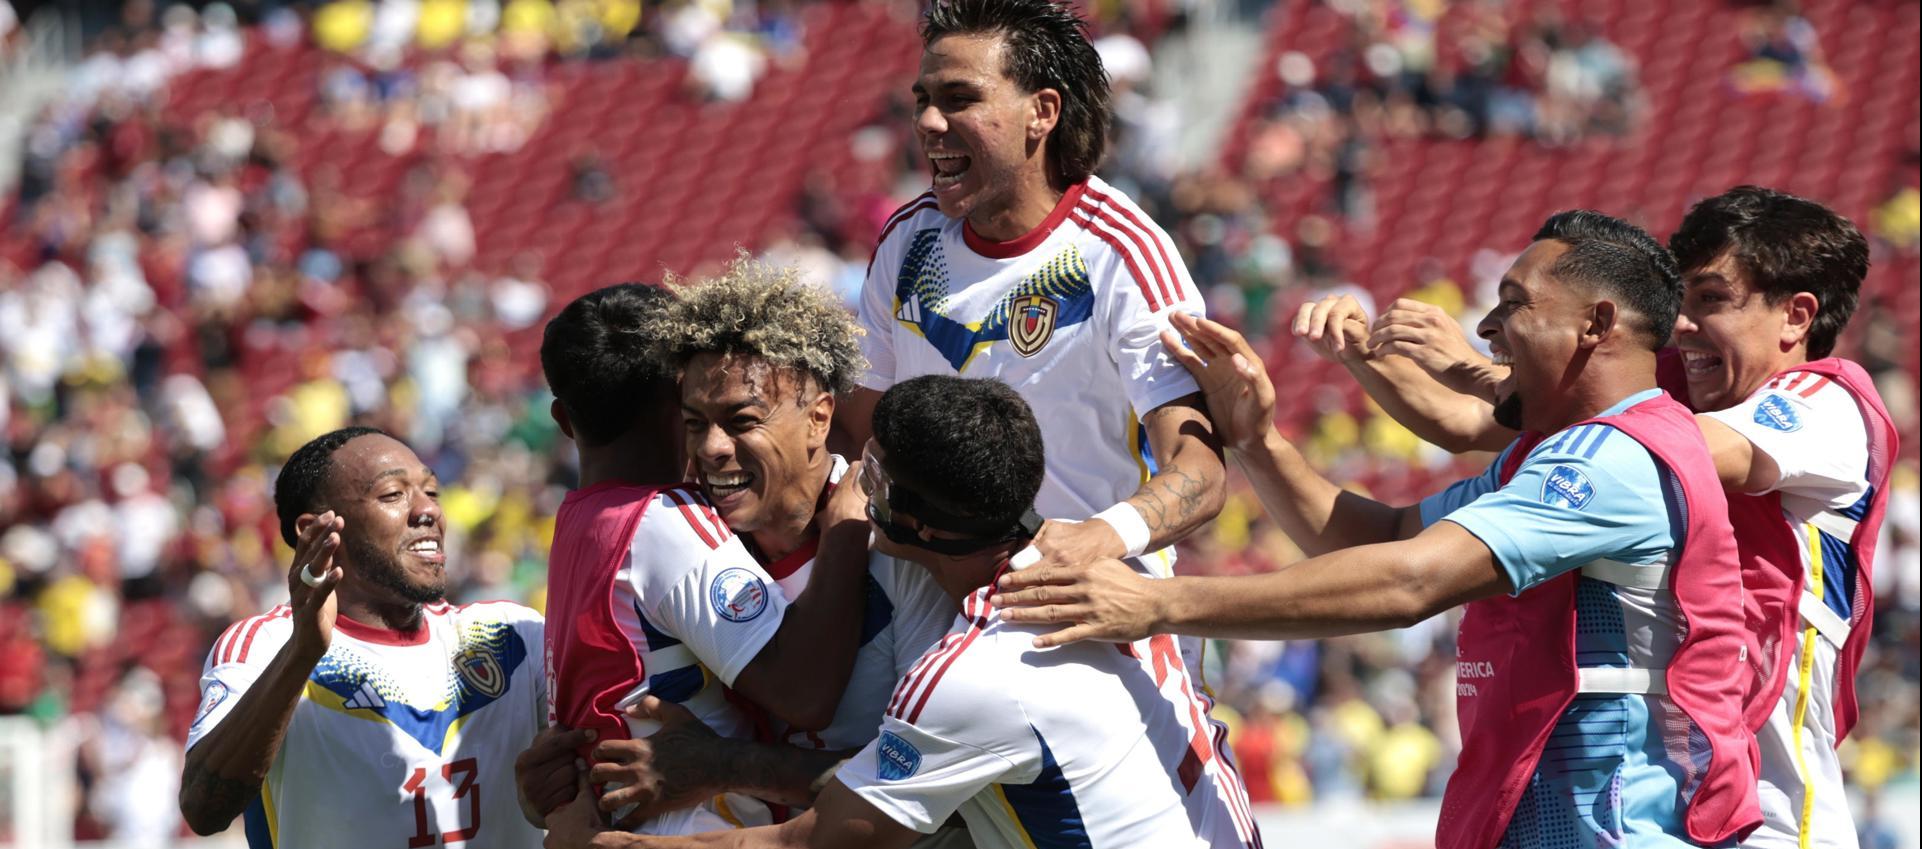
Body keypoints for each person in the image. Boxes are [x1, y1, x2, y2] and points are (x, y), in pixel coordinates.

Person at [998, 211, 1765, 849]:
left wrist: (1159, 604)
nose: (1489, 328)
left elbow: (1409, 580)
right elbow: (1380, 537)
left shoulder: (1614, 460)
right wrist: (1259, 441)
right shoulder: (1551, 454)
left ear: (1597, 324)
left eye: (1515, 303)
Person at [1294, 187, 1896, 849]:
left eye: (1711, 299)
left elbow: (1669, 449)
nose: (1682, 324)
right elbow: (1468, 425)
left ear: (1795, 316)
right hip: (1685, 794)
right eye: (1682, 300)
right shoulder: (1670, 393)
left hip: (1782, 809)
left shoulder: (1826, 403)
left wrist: (1479, 366)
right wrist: (1362, 354)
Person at [835, 1, 1251, 826]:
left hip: (1074, 626)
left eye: (958, 97)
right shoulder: (907, 242)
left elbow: (1201, 477)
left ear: (1042, 113)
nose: (928, 121)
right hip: (932, 612)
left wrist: (1098, 539)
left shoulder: (1121, 253)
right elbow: (866, 427)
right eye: (922, 98)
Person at [541, 375, 1260, 849]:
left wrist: (628, 845)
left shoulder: (975, 669)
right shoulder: (1117, 576)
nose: (857, 476)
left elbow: (816, 841)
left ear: (921, 524)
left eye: (876, 472)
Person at [519, 265, 962, 845]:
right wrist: (559, 786)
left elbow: (936, 786)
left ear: (820, 418)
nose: (711, 449)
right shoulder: (695, 536)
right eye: (694, 421)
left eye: (742, 421)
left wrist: (723, 766)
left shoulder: (900, 546)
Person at [179, 426, 547, 848]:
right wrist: (303, 653)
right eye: (393, 494)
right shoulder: (264, 646)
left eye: (432, 491)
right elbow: (203, 809)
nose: (428, 510)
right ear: (315, 530)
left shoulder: (510, 637)